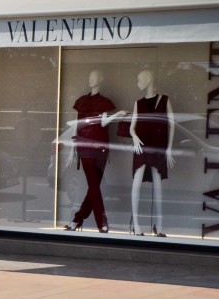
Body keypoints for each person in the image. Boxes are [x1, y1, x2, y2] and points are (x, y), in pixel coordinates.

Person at [63, 70, 122, 234]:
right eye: (89, 76)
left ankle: (77, 220)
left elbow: (103, 123)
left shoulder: (104, 102)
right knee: (94, 187)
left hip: (101, 148)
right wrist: (71, 149)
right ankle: (102, 222)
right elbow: (77, 125)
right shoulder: (82, 101)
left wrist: (116, 115)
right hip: (85, 148)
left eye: (95, 76)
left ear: (101, 79)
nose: (91, 79)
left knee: (93, 187)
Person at [128, 70, 176, 237]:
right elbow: (131, 127)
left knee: (158, 186)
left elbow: (172, 125)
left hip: (158, 148)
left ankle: (160, 226)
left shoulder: (164, 100)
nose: (138, 82)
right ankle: (137, 225)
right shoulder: (138, 103)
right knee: (137, 183)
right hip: (141, 147)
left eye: (139, 79)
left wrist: (169, 149)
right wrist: (134, 138)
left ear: (148, 80)